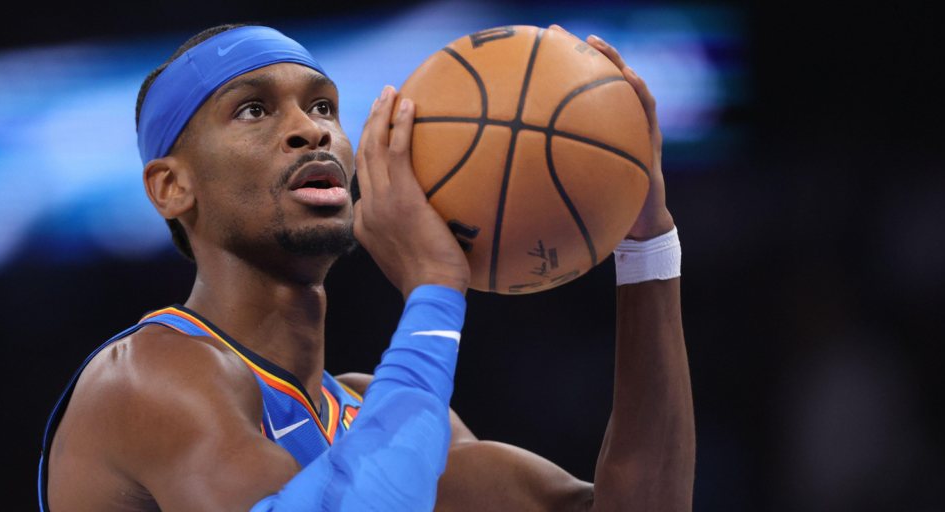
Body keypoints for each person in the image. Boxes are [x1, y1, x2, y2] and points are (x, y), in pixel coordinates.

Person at [39, 23, 694, 512]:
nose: (310, 130)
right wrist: (434, 289)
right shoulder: (144, 382)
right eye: (254, 110)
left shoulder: (380, 414)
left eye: (323, 106)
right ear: (171, 188)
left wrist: (647, 247)